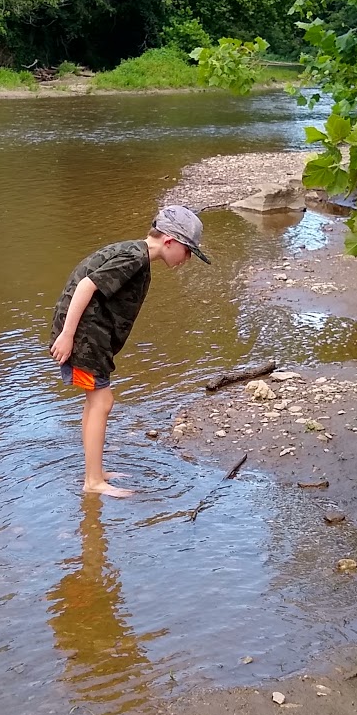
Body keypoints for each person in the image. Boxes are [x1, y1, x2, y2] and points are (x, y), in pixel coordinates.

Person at [50, 205, 210, 496]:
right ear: (169, 241)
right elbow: (85, 286)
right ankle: (93, 483)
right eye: (187, 251)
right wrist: (67, 335)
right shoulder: (135, 258)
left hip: (91, 334)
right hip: (85, 335)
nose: (187, 258)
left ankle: (94, 473)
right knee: (102, 401)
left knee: (95, 401)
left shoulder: (136, 254)